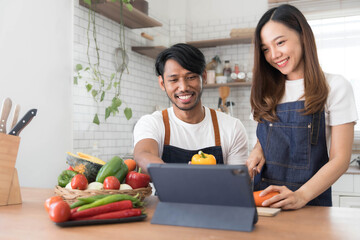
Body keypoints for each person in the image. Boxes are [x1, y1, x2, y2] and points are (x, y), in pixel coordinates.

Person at [247, 4, 358, 209]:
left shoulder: (335, 86)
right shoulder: (265, 90)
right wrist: (257, 150)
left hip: (311, 203)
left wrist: (301, 196)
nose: (274, 55)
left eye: (280, 42)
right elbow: (267, 137)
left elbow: (341, 159)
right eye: (265, 49)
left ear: (303, 36)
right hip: (264, 201)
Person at [133, 43, 248, 173]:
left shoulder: (232, 128)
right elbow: (143, 154)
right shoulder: (152, 123)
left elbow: (237, 183)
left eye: (191, 77)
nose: (183, 87)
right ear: (162, 83)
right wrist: (181, 179)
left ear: (203, 77)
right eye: (173, 80)